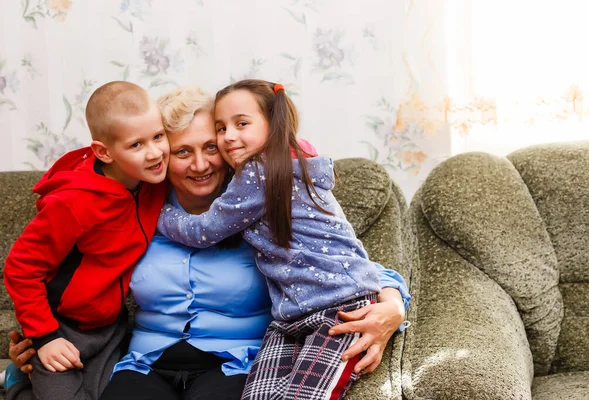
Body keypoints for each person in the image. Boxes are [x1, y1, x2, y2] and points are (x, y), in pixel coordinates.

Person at [8, 84, 409, 400]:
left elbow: (342, 265)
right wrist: (40, 338)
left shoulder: (261, 205)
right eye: (183, 151)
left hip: (234, 364)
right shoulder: (136, 213)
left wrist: (392, 307)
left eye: (210, 148)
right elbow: (67, 278)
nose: (199, 165)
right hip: (143, 363)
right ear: (162, 153)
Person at [156, 79, 411, 400]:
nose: (227, 138)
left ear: (272, 126)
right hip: (288, 319)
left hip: (339, 311)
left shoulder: (260, 176)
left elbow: (351, 261)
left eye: (240, 125)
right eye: (221, 129)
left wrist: (393, 304)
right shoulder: (261, 183)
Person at [2, 81, 169, 400]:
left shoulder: (154, 180)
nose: (155, 152)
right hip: (60, 325)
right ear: (104, 152)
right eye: (136, 145)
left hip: (111, 327)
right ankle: (17, 386)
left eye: (158, 136)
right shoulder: (72, 203)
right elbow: (20, 268)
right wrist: (45, 336)